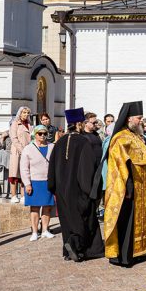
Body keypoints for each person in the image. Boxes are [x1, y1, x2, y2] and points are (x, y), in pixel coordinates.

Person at [103, 101, 146, 267]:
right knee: (127, 221)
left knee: (139, 220)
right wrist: (127, 187)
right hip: (128, 187)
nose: (141, 121)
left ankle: (138, 253)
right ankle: (124, 256)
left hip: (141, 187)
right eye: (138, 118)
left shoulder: (136, 137)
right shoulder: (120, 138)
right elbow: (120, 165)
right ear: (128, 119)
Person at [48, 108, 105, 262]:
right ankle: (78, 248)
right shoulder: (83, 142)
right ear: (79, 123)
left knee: (67, 220)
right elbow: (87, 169)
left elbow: (51, 167)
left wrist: (53, 187)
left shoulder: (59, 142)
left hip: (62, 191)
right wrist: (90, 190)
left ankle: (68, 249)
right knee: (84, 219)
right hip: (79, 190)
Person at [20, 125, 56, 241]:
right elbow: (24, 168)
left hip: (48, 181)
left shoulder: (52, 147)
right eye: (40, 133)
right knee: (34, 208)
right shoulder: (28, 148)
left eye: (44, 133)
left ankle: (45, 230)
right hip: (34, 182)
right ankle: (35, 232)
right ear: (34, 134)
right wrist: (27, 184)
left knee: (47, 207)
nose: (42, 136)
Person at [8, 106, 32, 203]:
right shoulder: (15, 124)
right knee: (14, 173)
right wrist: (22, 149)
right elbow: (14, 138)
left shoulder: (29, 125)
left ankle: (23, 195)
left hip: (27, 151)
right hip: (17, 151)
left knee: (24, 173)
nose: (26, 115)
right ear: (20, 113)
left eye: (27, 113)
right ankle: (13, 195)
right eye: (24, 112)